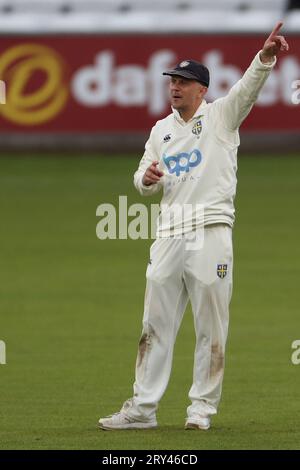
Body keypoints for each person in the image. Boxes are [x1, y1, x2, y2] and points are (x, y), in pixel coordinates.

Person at [99, 22, 289, 431]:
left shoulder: (222, 117)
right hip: (168, 234)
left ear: (201, 90)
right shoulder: (161, 130)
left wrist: (265, 58)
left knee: (210, 327)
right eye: (173, 81)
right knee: (154, 325)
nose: (175, 88)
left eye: (184, 82)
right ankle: (142, 410)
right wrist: (144, 180)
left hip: (210, 232)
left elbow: (247, 90)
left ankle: (200, 409)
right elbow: (142, 178)